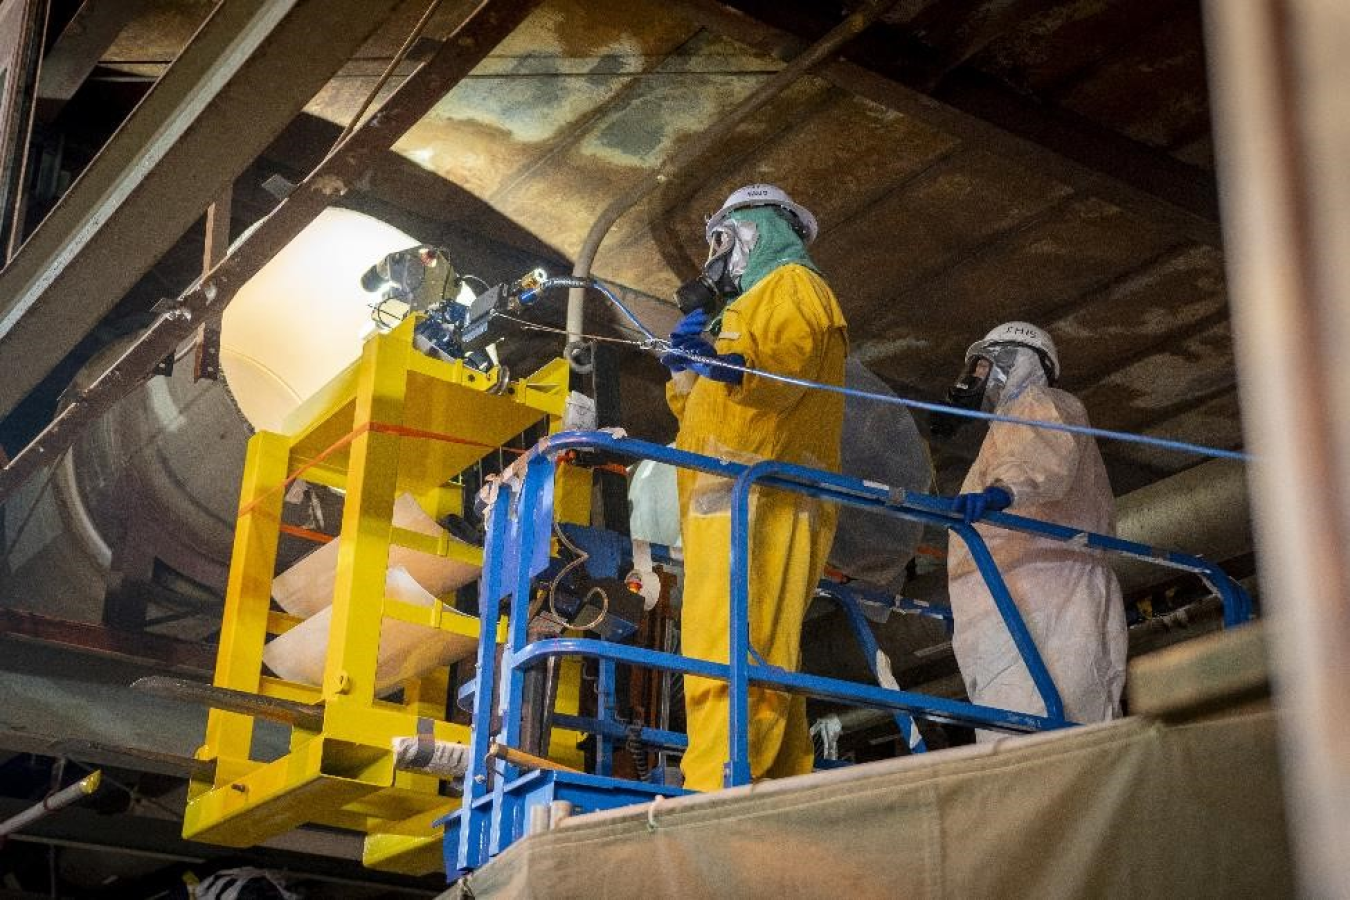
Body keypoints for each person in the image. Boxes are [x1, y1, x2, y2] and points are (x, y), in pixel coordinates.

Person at [662, 184, 848, 790]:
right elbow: (702, 411)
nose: (716, 253)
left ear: (759, 230)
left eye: (724, 236)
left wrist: (726, 362)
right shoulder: (739, 309)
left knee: (735, 647)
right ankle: (778, 773)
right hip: (728, 499)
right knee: (749, 648)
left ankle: (717, 780)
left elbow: (780, 373)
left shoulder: (792, 285)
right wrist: (688, 365)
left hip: (766, 496)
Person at [943, 321, 1127, 736]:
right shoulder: (1002, 431)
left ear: (1016, 361)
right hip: (1007, 605)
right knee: (1012, 737)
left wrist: (1003, 493)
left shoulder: (1044, 405)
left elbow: (1040, 456)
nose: (977, 377)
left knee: (1048, 730)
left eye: (983, 364)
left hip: (1049, 602)